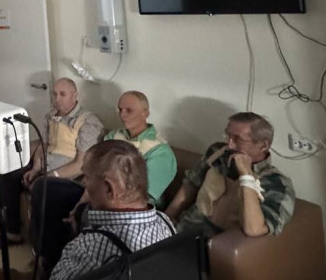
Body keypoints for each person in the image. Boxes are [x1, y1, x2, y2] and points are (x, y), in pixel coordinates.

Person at [0, 78, 104, 268]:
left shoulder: (88, 122)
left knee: (41, 189)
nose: (57, 99)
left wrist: (48, 176)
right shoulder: (52, 115)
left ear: (75, 95)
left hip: (68, 174)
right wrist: (35, 168)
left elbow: (81, 165)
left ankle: (43, 254)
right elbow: (45, 144)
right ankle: (12, 231)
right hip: (47, 164)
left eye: (62, 94)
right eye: (54, 94)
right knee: (7, 172)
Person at [49, 140, 175, 280]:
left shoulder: (89, 250)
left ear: (109, 188)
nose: (84, 182)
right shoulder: (166, 223)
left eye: (87, 177)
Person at [164, 112, 295, 238]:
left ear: (263, 146)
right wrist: (166, 218)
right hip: (181, 228)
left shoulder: (277, 184)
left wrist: (246, 175)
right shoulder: (217, 152)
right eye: (228, 135)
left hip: (210, 244)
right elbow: (191, 184)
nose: (230, 144)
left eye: (238, 139)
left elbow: (254, 229)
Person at [104, 91, 176, 206]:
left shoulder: (159, 151)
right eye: (120, 109)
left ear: (145, 113)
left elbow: (143, 197)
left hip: (134, 207)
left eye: (129, 110)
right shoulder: (113, 136)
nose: (122, 115)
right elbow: (97, 169)